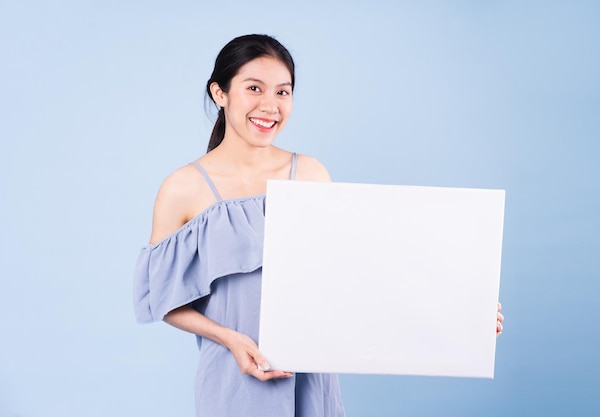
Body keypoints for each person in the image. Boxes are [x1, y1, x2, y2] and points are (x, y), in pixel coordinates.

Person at [134, 34, 504, 417]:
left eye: (283, 92)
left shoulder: (309, 174)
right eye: (254, 88)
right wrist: (230, 340)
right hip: (232, 378)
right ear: (220, 93)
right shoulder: (183, 187)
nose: (270, 106)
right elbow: (163, 298)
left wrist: (459, 313)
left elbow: (351, 279)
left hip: (311, 378)